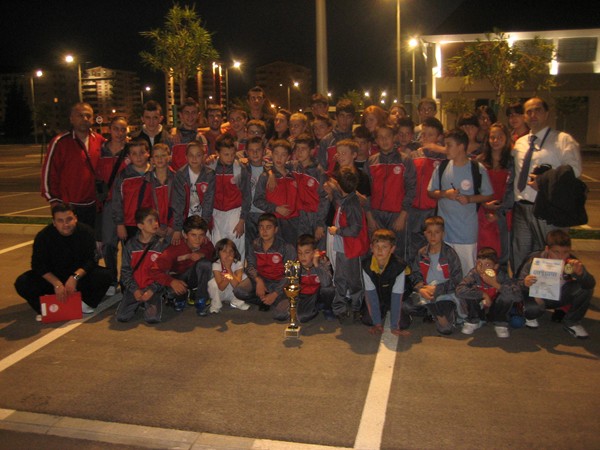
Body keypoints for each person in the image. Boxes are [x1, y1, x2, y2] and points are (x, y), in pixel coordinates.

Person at [511, 97, 582, 272]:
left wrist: (545, 181)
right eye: (529, 112)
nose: (533, 115)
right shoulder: (520, 143)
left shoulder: (562, 140)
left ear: (547, 113)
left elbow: (574, 170)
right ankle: (521, 287)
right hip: (522, 208)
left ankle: (553, 289)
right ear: (524, 116)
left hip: (547, 208)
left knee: (552, 258)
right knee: (520, 256)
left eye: (538, 110)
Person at [14, 204, 112, 319]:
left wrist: (75, 277)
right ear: (54, 222)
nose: (65, 224)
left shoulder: (86, 232)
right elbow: (37, 264)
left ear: (75, 218)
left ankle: (85, 303)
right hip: (53, 278)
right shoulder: (44, 236)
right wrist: (57, 284)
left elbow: (91, 261)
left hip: (77, 278)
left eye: (69, 219)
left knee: (106, 275)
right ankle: (44, 308)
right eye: (60, 221)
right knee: (23, 282)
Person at [428, 128, 494, 275]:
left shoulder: (477, 168)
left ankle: (466, 290)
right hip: (444, 232)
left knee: (467, 271)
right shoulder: (442, 167)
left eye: (449, 145)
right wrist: (445, 194)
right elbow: (431, 192)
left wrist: (469, 199)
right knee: (444, 271)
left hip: (466, 232)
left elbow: (488, 194)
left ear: (461, 146)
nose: (445, 149)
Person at [517, 229, 595, 339]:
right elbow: (518, 283)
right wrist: (525, 283)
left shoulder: (571, 262)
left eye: (566, 252)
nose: (561, 256)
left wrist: (581, 274)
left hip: (560, 295)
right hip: (537, 297)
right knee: (532, 310)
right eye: (556, 252)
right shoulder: (534, 260)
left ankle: (572, 322)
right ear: (547, 249)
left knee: (585, 288)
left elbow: (590, 284)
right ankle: (530, 315)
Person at [41, 102, 105, 229]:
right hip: (68, 207)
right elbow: (49, 173)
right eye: (80, 115)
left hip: (94, 206)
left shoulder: (100, 141)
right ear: (71, 119)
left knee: (92, 240)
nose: (85, 119)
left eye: (88, 116)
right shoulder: (60, 142)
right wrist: (54, 201)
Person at [404, 216, 463, 335]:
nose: (433, 236)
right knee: (405, 306)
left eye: (437, 232)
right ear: (425, 234)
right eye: (429, 232)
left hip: (445, 293)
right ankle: (433, 312)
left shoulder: (450, 253)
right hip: (426, 290)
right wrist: (421, 289)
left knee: (445, 329)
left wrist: (437, 289)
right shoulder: (422, 253)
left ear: (443, 234)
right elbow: (415, 274)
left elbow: (457, 279)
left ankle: (442, 311)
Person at [365, 124, 417, 259]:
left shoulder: (405, 160)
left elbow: (411, 189)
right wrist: (369, 216)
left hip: (397, 215)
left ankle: (400, 274)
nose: (384, 140)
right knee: (377, 252)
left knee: (398, 253)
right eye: (380, 137)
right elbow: (365, 191)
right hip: (376, 215)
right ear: (376, 140)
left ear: (394, 138)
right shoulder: (371, 161)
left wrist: (403, 215)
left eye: (387, 136)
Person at [233, 213, 297, 319]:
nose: (264, 231)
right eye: (261, 227)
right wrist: (258, 280)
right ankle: (265, 300)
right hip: (263, 280)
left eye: (268, 227)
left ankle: (276, 300)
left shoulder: (286, 248)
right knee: (239, 291)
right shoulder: (255, 245)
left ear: (275, 229)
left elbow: (290, 276)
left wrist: (275, 293)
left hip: (280, 284)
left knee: (280, 315)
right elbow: (250, 266)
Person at [150, 215, 214, 315]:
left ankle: (201, 299)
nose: (198, 239)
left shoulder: (205, 243)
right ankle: (179, 297)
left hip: (192, 277)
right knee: (173, 292)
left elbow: (212, 251)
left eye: (201, 235)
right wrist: (171, 282)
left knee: (205, 264)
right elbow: (154, 270)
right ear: (185, 234)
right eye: (193, 235)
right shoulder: (175, 247)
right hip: (178, 278)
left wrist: (202, 254)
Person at [328, 167, 370, 323]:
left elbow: (355, 229)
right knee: (340, 278)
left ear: (340, 185)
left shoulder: (352, 204)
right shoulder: (346, 198)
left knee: (354, 280)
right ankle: (339, 308)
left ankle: (356, 308)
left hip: (351, 249)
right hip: (343, 248)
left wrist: (337, 231)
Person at [116, 208, 168, 324]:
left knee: (152, 319)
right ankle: (139, 302)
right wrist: (134, 290)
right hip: (135, 287)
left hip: (153, 289)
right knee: (122, 317)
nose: (155, 224)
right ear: (140, 226)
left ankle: (155, 298)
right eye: (150, 221)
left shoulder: (162, 245)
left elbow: (165, 272)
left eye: (156, 220)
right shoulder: (130, 245)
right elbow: (125, 271)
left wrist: (152, 289)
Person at [456, 247, 521, 338]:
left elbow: (517, 296)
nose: (482, 268)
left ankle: (500, 323)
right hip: (480, 308)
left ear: (495, 266)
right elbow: (459, 290)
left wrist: (495, 284)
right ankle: (474, 320)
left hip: (496, 309)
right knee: (469, 291)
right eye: (479, 264)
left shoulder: (501, 276)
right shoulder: (474, 273)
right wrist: (483, 294)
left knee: (506, 295)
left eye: (487, 265)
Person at [97, 116, 129, 293]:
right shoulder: (101, 150)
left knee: (128, 244)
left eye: (123, 129)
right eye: (116, 128)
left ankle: (126, 279)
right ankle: (111, 279)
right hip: (108, 203)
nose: (119, 133)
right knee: (109, 244)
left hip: (128, 203)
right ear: (109, 129)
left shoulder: (131, 150)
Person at [407, 117, 446, 263]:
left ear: (439, 137)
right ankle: (414, 273)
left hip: (433, 209)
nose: (426, 138)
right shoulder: (415, 155)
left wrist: (441, 149)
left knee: (433, 244)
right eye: (423, 134)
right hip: (414, 208)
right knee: (413, 245)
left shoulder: (445, 158)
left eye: (430, 135)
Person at [207, 133, 251, 261]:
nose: (230, 158)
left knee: (236, 248)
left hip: (235, 213)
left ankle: (238, 273)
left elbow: (247, 197)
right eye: (226, 154)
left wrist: (242, 220)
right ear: (217, 153)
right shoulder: (210, 167)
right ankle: (219, 273)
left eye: (232, 154)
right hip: (216, 213)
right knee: (217, 247)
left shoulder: (240, 169)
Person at [476, 123, 514, 270]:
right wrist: (484, 204)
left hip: (504, 213)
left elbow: (512, 190)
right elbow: (474, 188)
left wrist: (499, 213)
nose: (496, 140)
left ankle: (499, 281)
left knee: (501, 254)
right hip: (483, 212)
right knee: (483, 252)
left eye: (500, 137)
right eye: (492, 137)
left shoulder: (512, 162)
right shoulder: (480, 161)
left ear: (506, 139)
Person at [361, 229, 410, 336]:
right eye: (377, 246)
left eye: (384, 247)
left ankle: (402, 313)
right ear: (371, 247)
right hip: (379, 298)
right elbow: (371, 295)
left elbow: (397, 296)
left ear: (392, 249)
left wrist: (394, 326)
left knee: (403, 323)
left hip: (397, 297)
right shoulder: (366, 266)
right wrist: (377, 323)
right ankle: (382, 313)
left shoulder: (399, 267)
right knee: (367, 320)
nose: (380, 250)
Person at [253, 139, 299, 244]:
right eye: (276, 154)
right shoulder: (265, 176)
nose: (279, 158)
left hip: (293, 221)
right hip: (274, 222)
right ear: (272, 155)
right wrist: (276, 208)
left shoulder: (294, 175)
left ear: (288, 157)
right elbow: (257, 200)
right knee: (275, 251)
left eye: (283, 155)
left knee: (291, 250)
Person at [170, 140, 215, 246]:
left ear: (204, 156)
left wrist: (204, 228)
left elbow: (208, 202)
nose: (194, 159)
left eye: (198, 155)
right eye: (191, 155)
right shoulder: (180, 175)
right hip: (185, 218)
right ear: (186, 157)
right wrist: (177, 228)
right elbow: (178, 203)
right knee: (185, 246)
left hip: (204, 217)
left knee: (204, 246)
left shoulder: (209, 175)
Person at [290, 133, 329, 246]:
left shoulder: (318, 171)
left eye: (303, 149)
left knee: (319, 249)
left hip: (316, 216)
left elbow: (325, 198)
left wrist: (320, 224)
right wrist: (271, 174)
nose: (299, 152)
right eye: (297, 149)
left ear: (312, 151)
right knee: (302, 248)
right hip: (299, 216)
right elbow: (274, 164)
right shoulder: (293, 167)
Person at [111, 139, 153, 242]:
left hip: (152, 222)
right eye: (134, 154)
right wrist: (120, 224)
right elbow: (117, 201)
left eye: (142, 152)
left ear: (148, 153)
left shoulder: (156, 173)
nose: (138, 157)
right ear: (129, 156)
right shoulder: (123, 176)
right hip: (130, 223)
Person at [295, 234, 334, 323]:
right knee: (302, 317)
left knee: (328, 289)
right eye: (300, 253)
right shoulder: (296, 265)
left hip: (319, 293)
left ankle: (327, 308)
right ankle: (316, 307)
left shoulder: (323, 260)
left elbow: (327, 282)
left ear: (315, 252)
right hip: (305, 296)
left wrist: (316, 265)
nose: (302, 256)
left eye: (307, 252)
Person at [207, 238, 250, 314]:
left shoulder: (238, 264)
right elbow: (221, 287)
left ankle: (237, 302)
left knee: (244, 277)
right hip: (221, 294)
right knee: (212, 283)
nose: (228, 254)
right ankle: (216, 305)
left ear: (235, 253)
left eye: (231, 251)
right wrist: (228, 277)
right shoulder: (216, 264)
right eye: (224, 251)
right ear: (218, 253)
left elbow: (237, 286)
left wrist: (228, 269)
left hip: (233, 292)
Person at [244, 136, 269, 256]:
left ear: (264, 151)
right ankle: (251, 266)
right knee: (249, 246)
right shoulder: (242, 169)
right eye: (251, 150)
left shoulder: (270, 169)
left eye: (258, 150)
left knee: (264, 246)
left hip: (265, 213)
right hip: (248, 213)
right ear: (246, 152)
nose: (255, 153)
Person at [146, 143, 175, 242]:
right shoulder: (147, 180)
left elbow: (180, 205)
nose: (160, 159)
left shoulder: (176, 178)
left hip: (172, 228)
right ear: (152, 160)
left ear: (169, 157)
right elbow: (145, 206)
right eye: (156, 156)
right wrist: (154, 226)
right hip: (153, 228)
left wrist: (173, 226)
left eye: (163, 155)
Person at [317, 99, 356, 174]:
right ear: (336, 117)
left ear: (353, 118)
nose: (345, 120)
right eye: (342, 116)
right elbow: (321, 169)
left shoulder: (356, 139)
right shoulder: (326, 141)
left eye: (348, 116)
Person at [169, 97, 208, 171]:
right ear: (181, 115)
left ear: (198, 115)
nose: (190, 116)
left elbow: (205, 164)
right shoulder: (172, 138)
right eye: (187, 112)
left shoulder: (202, 139)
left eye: (193, 112)